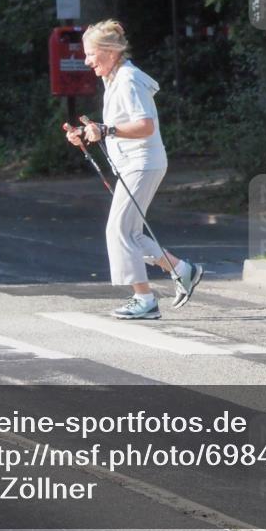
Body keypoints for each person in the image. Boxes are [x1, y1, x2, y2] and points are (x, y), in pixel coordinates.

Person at [66, 19, 203, 319]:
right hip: (134, 164)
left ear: (111, 51)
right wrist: (88, 132)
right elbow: (115, 126)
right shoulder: (114, 79)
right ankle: (183, 270)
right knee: (130, 233)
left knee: (118, 230)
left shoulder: (128, 79)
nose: (87, 61)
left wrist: (106, 130)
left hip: (143, 163)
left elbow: (145, 125)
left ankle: (145, 299)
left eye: (91, 54)